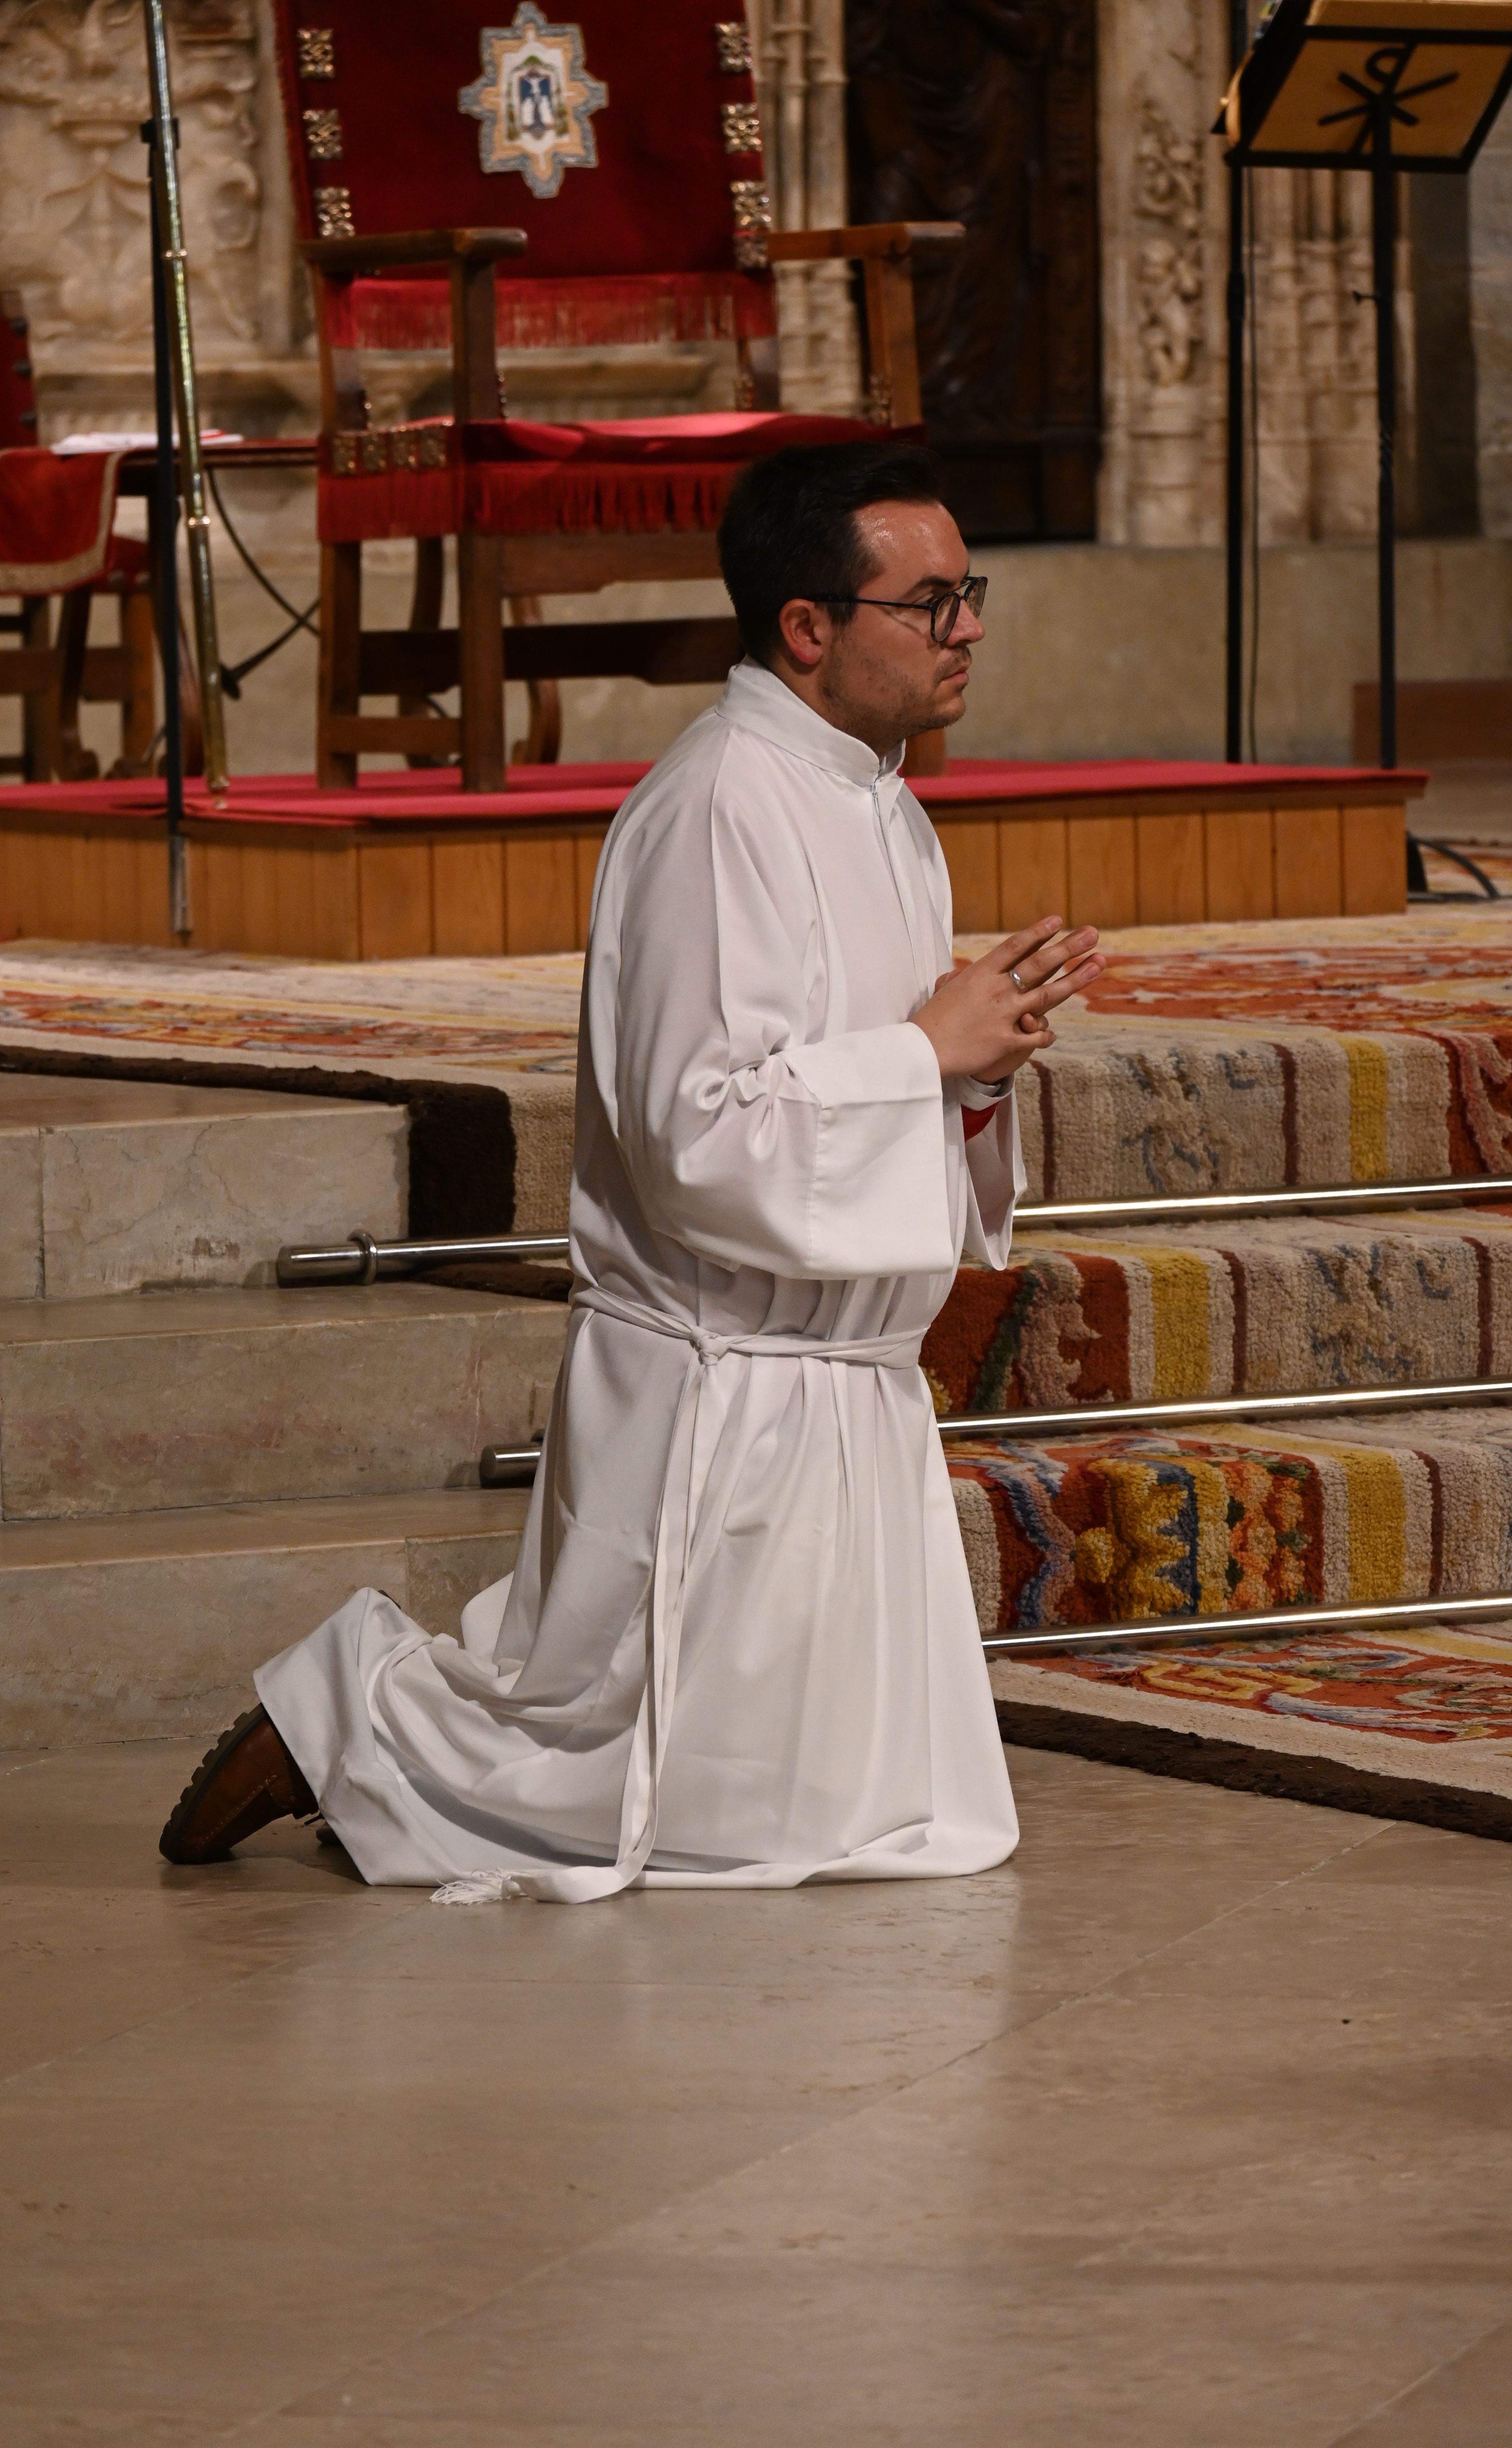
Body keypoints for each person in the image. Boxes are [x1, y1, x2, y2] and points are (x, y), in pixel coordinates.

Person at [159, 439, 1104, 1899]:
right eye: (931, 602)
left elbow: (865, 1071)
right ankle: (345, 1722)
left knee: (821, 1815)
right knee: (614, 1769)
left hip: (834, 1378)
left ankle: (377, 1752)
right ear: (807, 626)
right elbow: (695, 1135)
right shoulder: (718, 806)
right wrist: (921, 1052)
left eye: (968, 592)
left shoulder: (882, 805)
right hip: (721, 1371)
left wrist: (969, 1073)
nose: (968, 625)